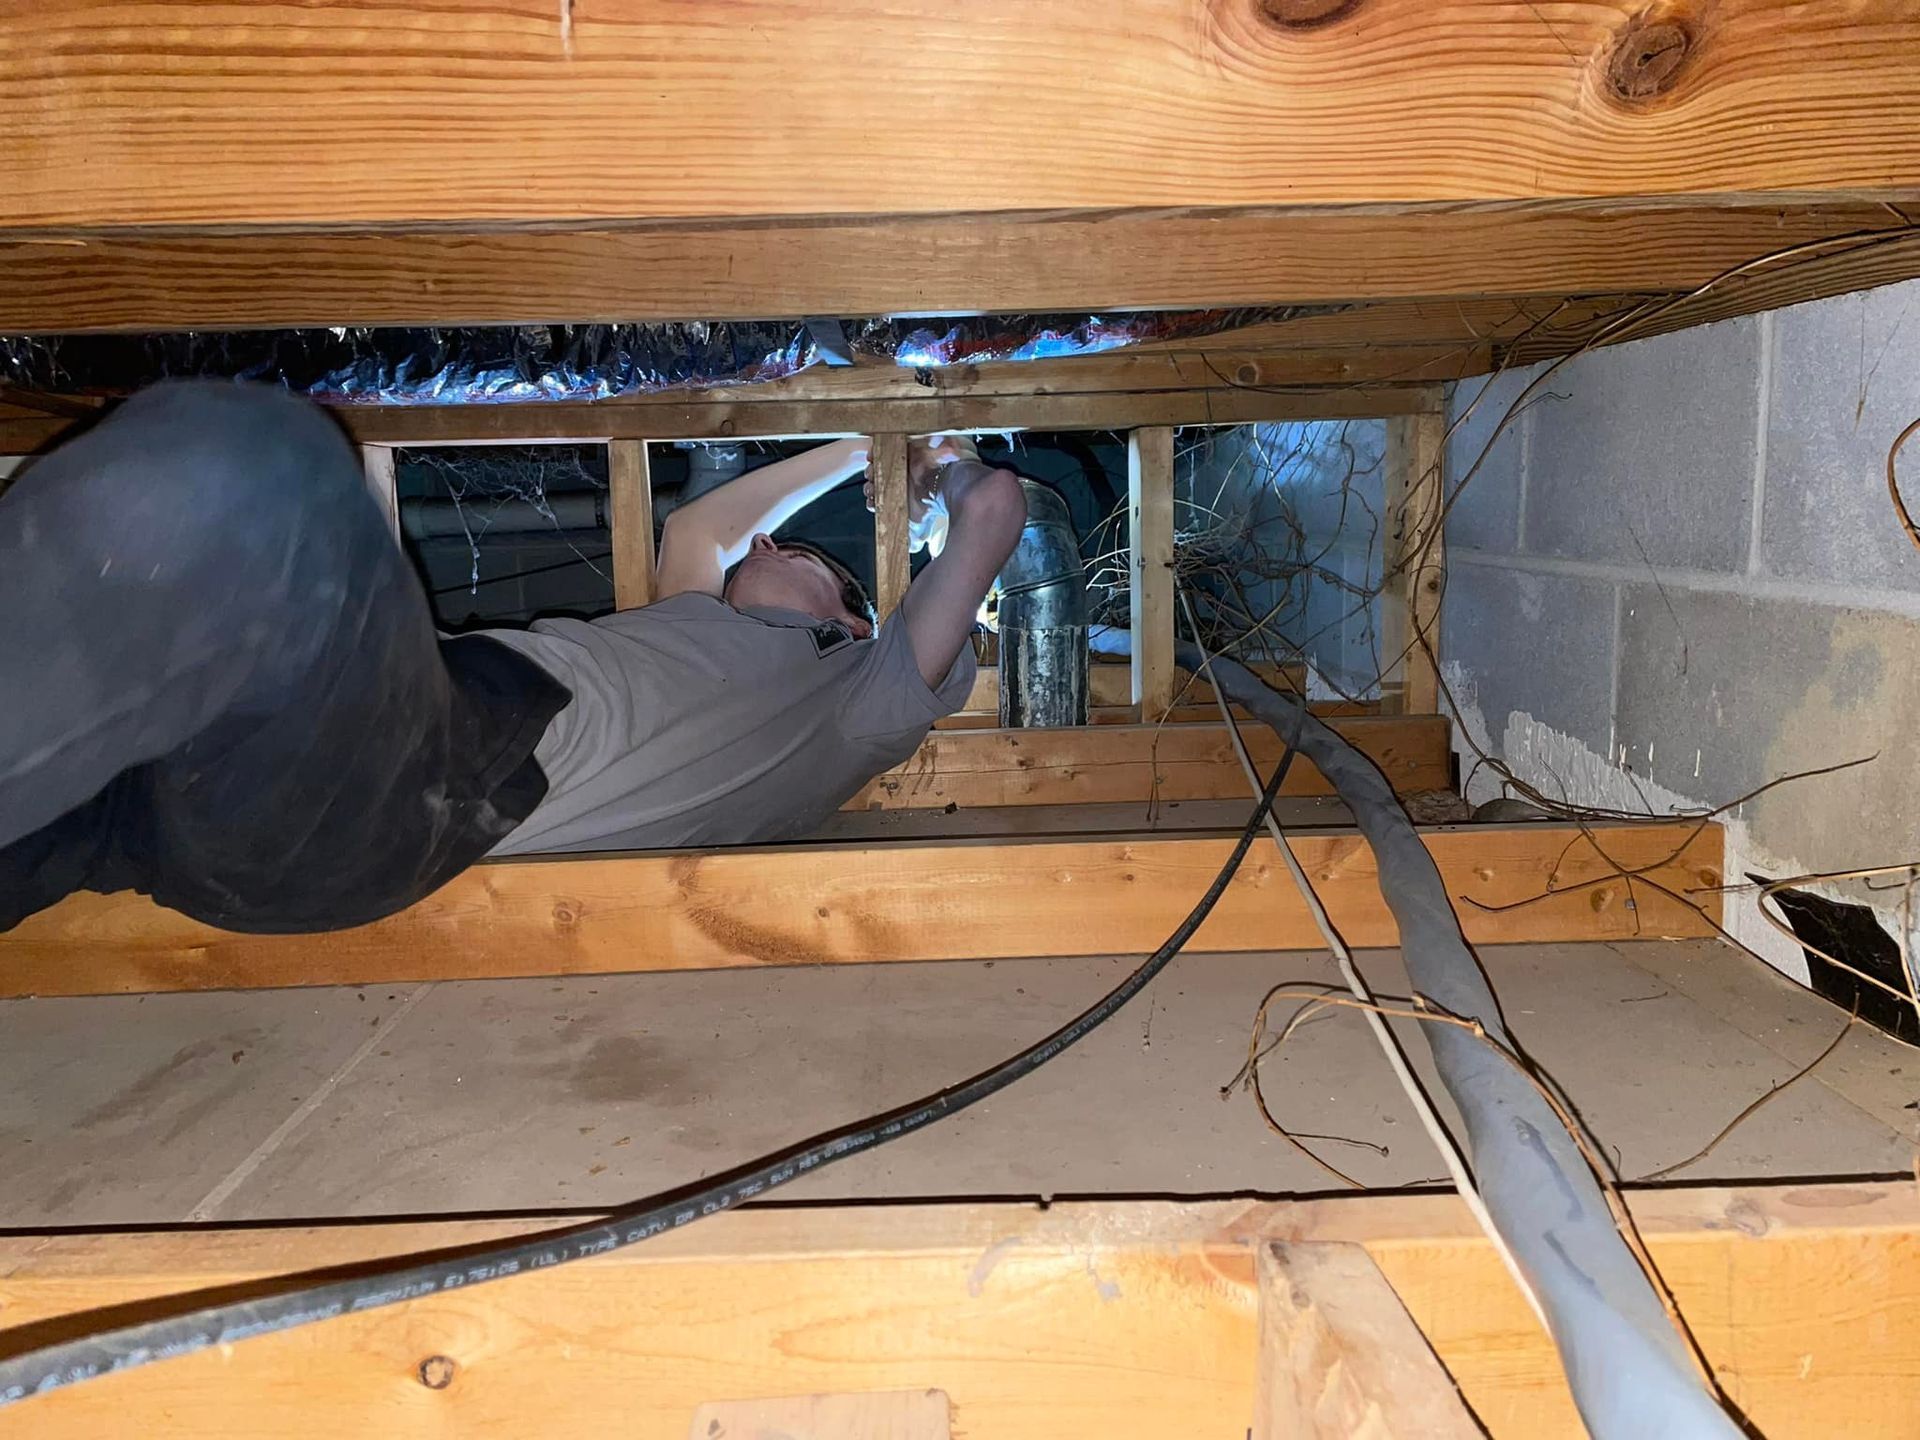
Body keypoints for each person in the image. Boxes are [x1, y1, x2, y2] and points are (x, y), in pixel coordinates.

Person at [0, 382, 1026, 934]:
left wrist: (939, 456)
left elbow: (996, 511)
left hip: (431, 776)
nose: (764, 546)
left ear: (852, 624)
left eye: (797, 557)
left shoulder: (858, 699)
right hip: (248, 842)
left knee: (266, 462)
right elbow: (710, 527)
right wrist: (860, 440)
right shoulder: (704, 633)